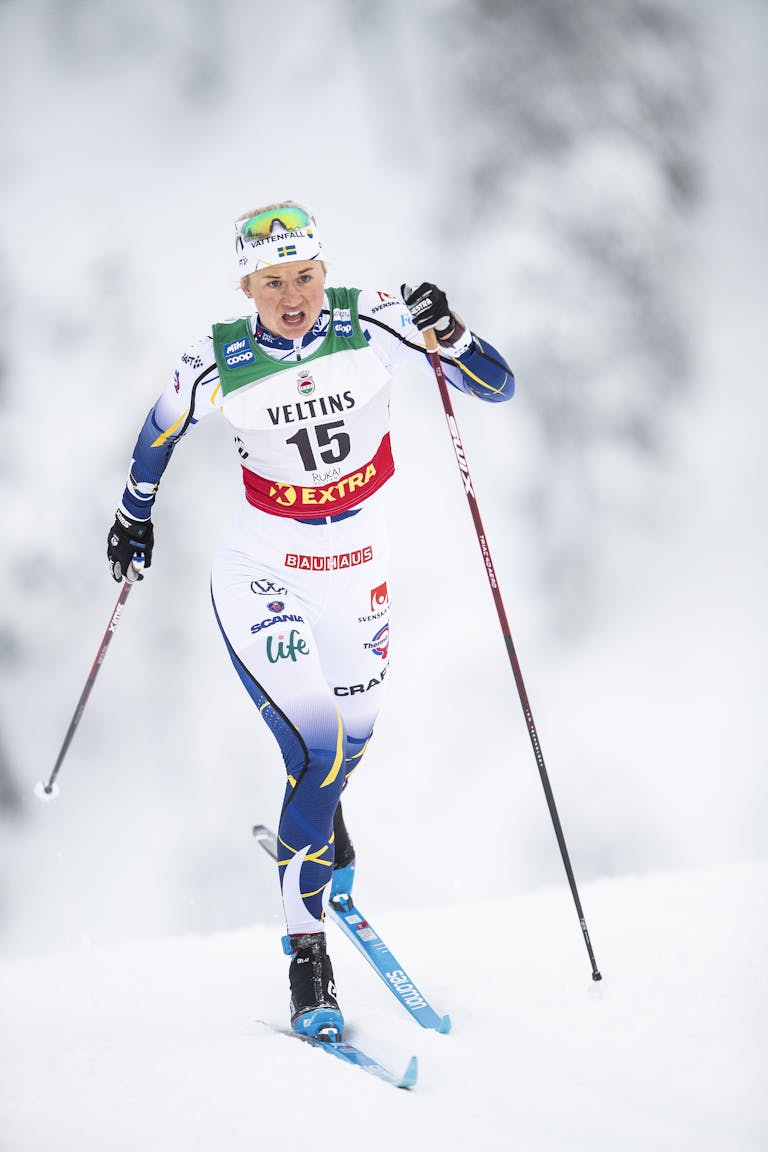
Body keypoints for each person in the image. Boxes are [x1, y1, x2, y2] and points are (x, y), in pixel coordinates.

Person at [107, 201, 514, 1040]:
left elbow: (496, 385)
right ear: (246, 288)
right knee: (319, 752)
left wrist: (450, 330)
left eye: (304, 276)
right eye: (271, 283)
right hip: (264, 572)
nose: (291, 297)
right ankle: (308, 960)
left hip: (357, 571)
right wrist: (132, 515)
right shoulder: (217, 361)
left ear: (325, 272)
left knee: (347, 751)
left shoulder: (376, 323)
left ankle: (324, 821)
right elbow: (159, 432)